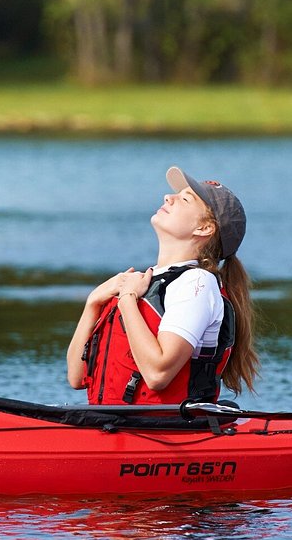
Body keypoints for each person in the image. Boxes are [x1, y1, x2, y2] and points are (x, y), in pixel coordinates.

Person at [66, 166, 259, 405]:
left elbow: (158, 375)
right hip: (114, 424)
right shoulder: (147, 282)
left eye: (185, 199)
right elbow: (76, 378)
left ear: (204, 228)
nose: (168, 197)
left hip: (166, 431)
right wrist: (93, 302)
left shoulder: (197, 283)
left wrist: (127, 300)